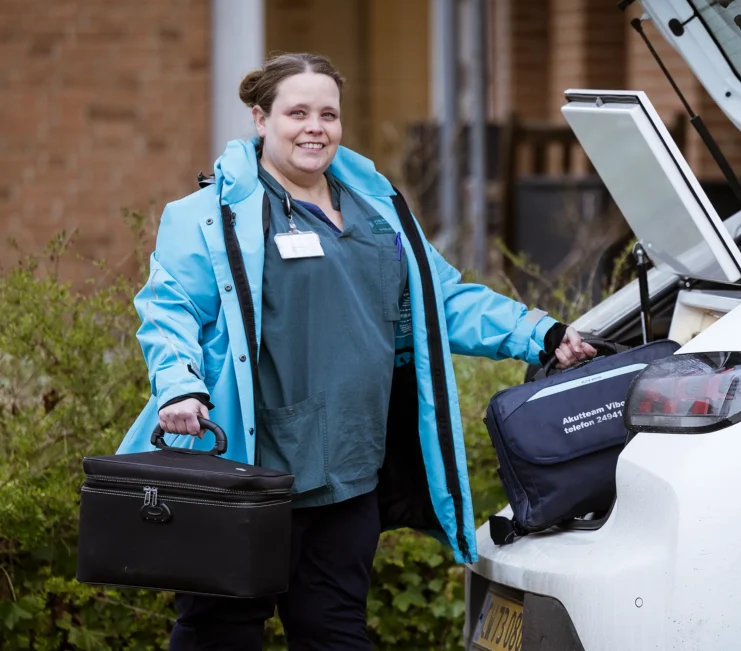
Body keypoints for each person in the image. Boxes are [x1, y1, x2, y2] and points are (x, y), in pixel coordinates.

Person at [114, 52, 596, 650]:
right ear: (261, 119)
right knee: (220, 631)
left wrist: (542, 333)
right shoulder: (209, 218)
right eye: (297, 112)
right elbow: (170, 309)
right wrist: (179, 385)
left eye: (328, 114)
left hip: (348, 474)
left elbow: (440, 301)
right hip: (249, 473)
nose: (315, 127)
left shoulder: (377, 213)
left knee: (335, 631)